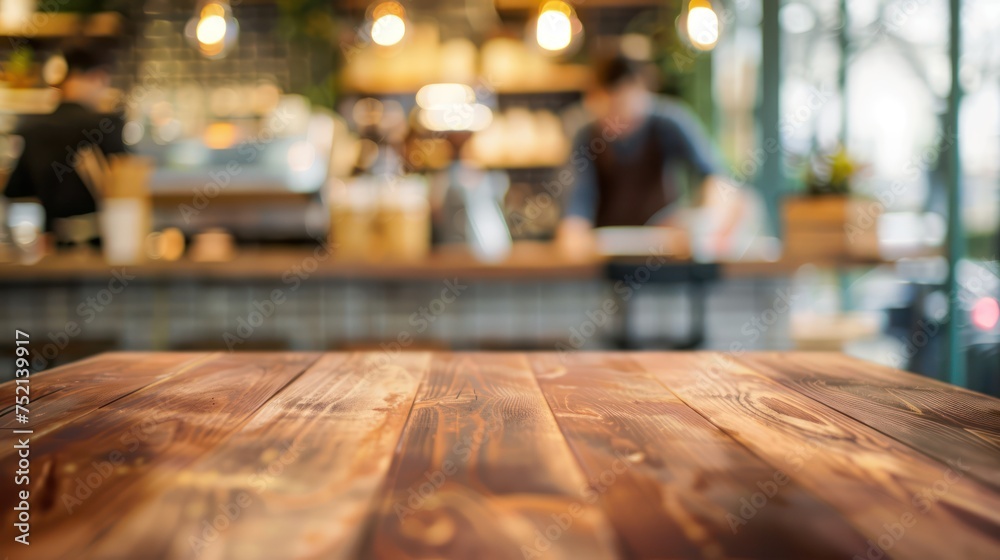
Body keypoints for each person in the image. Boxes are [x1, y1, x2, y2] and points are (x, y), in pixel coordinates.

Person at [556, 54, 744, 259]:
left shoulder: (669, 123)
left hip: (666, 252)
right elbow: (576, 209)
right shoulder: (586, 136)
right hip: (608, 259)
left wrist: (707, 223)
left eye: (625, 110)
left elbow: (716, 179)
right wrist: (574, 236)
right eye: (611, 113)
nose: (619, 125)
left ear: (642, 92)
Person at [3, 45, 126, 247]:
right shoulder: (106, 126)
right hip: (102, 246)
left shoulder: (34, 129)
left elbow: (15, 190)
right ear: (98, 77)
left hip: (51, 246)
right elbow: (127, 189)